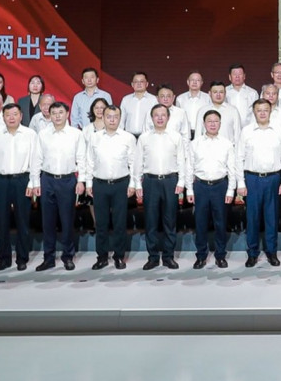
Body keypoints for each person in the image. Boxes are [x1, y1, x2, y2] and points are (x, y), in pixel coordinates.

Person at [235, 98, 281, 268]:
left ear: (270, 111)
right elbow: (239, 158)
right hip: (252, 179)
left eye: (265, 110)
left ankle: (271, 252)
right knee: (252, 218)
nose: (262, 113)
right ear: (254, 112)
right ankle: (252, 253)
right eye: (259, 110)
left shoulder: (278, 130)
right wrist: (241, 183)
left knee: (271, 217)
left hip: (273, 178)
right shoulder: (246, 131)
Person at [0, 103, 41, 271]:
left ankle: (22, 258)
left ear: (21, 116)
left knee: (22, 221)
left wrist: (33, 182)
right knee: (2, 221)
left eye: (15, 114)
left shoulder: (30, 134)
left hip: (22, 180)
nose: (11, 118)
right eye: (8, 114)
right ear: (3, 117)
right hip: (1, 181)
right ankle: (4, 259)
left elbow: (35, 160)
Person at [83, 105, 136, 270]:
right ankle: (102, 257)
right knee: (101, 223)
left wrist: (133, 184)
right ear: (103, 118)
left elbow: (133, 163)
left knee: (120, 223)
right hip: (99, 185)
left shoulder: (128, 138)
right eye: (109, 116)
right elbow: (89, 161)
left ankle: (119, 257)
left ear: (120, 118)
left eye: (115, 116)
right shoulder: (94, 137)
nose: (112, 120)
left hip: (121, 184)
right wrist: (89, 184)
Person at [134, 104, 185, 271]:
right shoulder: (144, 138)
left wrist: (181, 182)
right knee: (151, 221)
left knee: (170, 221)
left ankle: (169, 257)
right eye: (156, 115)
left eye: (163, 115)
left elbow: (181, 160)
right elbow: (138, 162)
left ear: (168, 117)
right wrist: (137, 183)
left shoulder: (176, 136)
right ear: (152, 118)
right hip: (150, 182)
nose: (160, 118)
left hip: (170, 181)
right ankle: (153, 257)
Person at [37, 101, 85, 271]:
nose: (57, 116)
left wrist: (81, 180)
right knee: (47, 221)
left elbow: (81, 158)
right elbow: (37, 159)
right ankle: (48, 257)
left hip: (67, 180)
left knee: (67, 220)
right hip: (47, 179)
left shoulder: (75, 134)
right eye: (54, 113)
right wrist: (35, 181)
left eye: (60, 112)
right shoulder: (43, 134)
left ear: (67, 114)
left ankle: (68, 256)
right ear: (49, 115)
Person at [189, 109, 237, 269]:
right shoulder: (195, 144)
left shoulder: (227, 144)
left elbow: (232, 169)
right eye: (209, 121)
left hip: (220, 186)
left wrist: (231, 190)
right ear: (204, 124)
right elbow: (189, 168)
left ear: (220, 124)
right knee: (200, 223)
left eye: (216, 121)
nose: (212, 124)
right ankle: (201, 256)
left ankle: (220, 255)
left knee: (221, 223)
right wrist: (189, 190)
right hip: (200, 186)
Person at [120, 72, 157, 137]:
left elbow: (156, 119)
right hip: (129, 136)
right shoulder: (126, 100)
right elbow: (121, 120)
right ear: (132, 84)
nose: (139, 84)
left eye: (141, 81)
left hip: (147, 136)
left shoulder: (153, 100)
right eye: (136, 81)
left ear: (147, 84)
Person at [176, 72, 212, 137]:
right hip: (184, 134)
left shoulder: (208, 98)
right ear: (188, 82)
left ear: (201, 83)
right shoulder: (180, 99)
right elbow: (178, 118)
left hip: (202, 133)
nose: (195, 82)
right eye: (192, 80)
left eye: (198, 80)